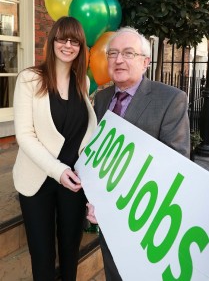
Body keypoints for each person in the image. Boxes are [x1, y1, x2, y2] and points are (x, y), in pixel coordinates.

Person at [86, 26, 190, 280]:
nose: (118, 60)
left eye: (128, 53)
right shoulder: (102, 98)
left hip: (143, 222)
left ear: (145, 62)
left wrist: (114, 206)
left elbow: (174, 165)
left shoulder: (170, 99)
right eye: (113, 53)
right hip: (106, 222)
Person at [13, 16, 97, 281]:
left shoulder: (82, 81)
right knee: (42, 256)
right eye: (62, 38)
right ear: (52, 41)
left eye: (74, 40)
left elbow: (85, 134)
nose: (68, 45)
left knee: (71, 251)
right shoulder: (29, 79)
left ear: (81, 47)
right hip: (38, 180)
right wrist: (57, 170)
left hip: (73, 181)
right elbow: (24, 136)